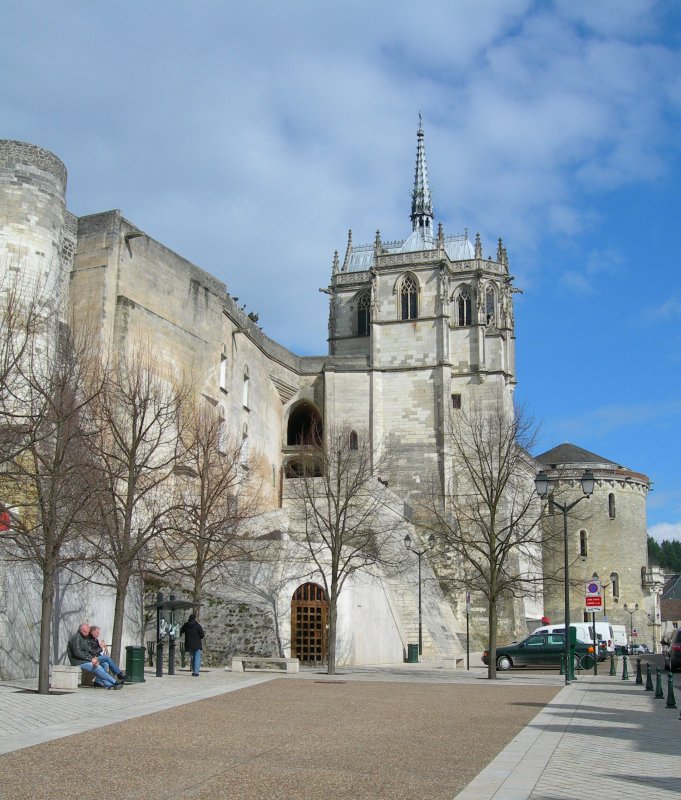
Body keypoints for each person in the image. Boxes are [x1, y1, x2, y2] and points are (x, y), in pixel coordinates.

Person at [67, 623, 123, 689]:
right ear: (83, 630)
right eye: (88, 631)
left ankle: (108, 684)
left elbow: (88, 652)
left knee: (101, 666)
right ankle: (114, 682)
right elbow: (78, 654)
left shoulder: (83, 638)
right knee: (97, 668)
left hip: (84, 660)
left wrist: (94, 659)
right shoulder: (76, 638)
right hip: (78, 662)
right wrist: (92, 659)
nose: (89, 632)